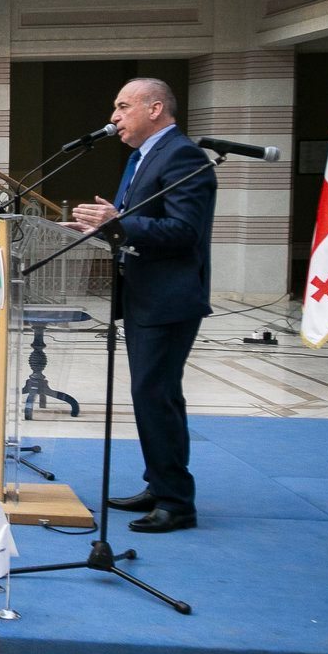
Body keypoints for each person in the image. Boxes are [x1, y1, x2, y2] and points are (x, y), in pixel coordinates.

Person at [65, 78, 215, 534]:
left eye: (122, 106)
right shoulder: (142, 156)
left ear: (155, 108)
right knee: (153, 394)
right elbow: (136, 224)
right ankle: (159, 484)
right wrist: (104, 228)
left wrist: (119, 221)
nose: (114, 117)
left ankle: (176, 502)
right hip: (144, 293)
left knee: (156, 395)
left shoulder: (183, 156)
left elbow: (184, 231)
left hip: (169, 297)